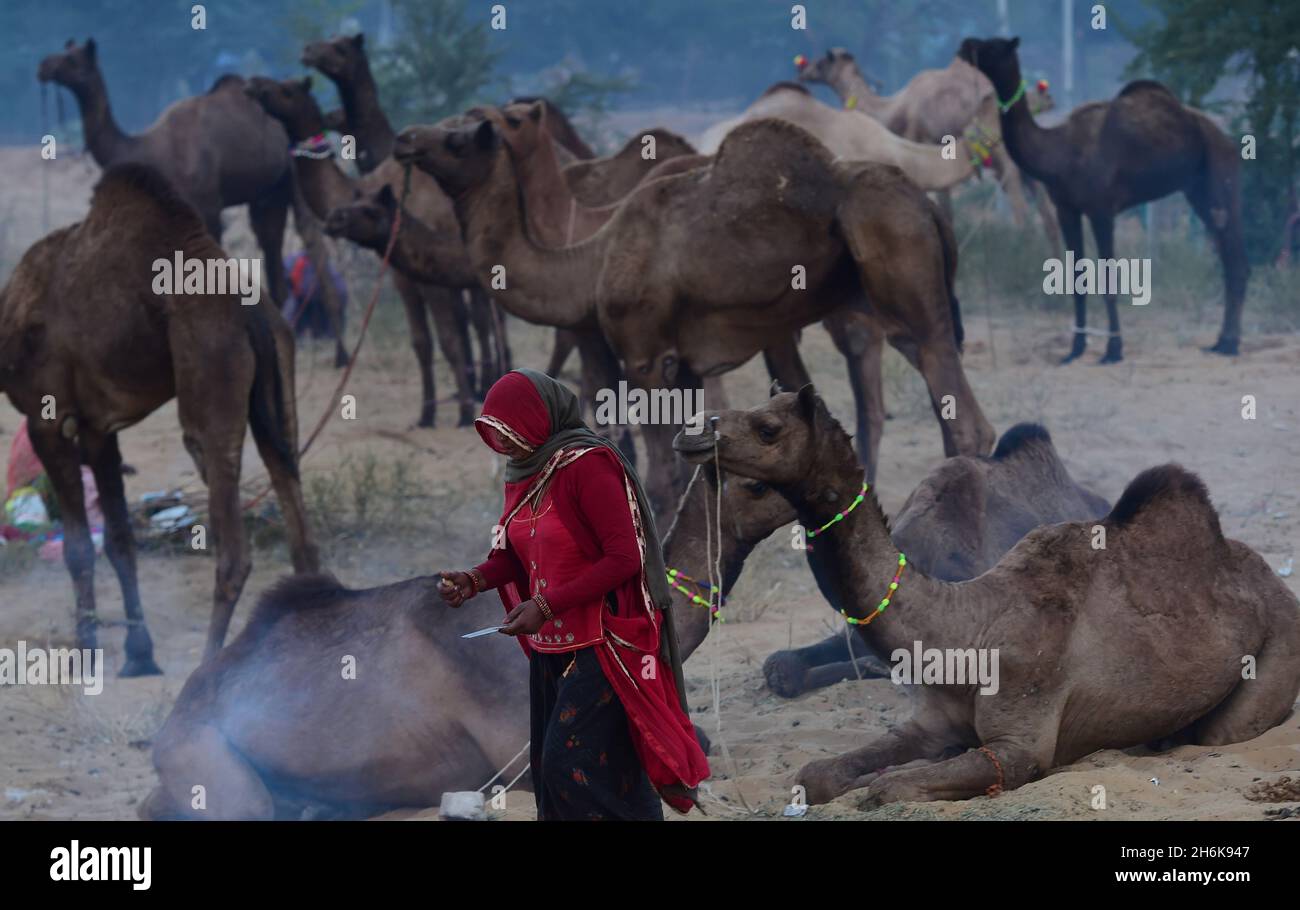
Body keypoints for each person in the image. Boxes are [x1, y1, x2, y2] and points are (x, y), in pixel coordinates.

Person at [438, 368, 708, 820]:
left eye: (509, 430)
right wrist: (477, 579)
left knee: (567, 763)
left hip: (603, 643)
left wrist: (546, 604)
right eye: (493, 433)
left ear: (539, 419)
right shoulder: (524, 472)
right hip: (552, 647)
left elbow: (625, 557)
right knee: (574, 764)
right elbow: (517, 554)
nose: (502, 443)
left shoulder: (588, 464)